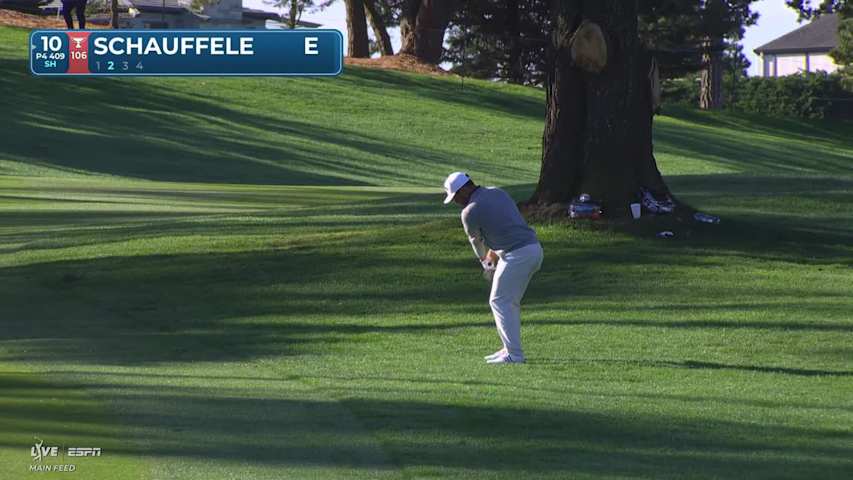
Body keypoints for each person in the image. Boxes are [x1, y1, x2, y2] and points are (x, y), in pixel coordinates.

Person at [443, 172, 543, 364]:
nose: (456, 201)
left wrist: (485, 263)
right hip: (533, 249)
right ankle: (508, 349)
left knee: (500, 301)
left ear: (464, 190)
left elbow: (476, 241)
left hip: (517, 255)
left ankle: (514, 355)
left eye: (455, 196)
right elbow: (504, 228)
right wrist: (492, 258)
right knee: (506, 302)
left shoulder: (469, 212)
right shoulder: (498, 192)